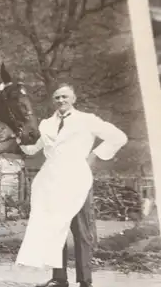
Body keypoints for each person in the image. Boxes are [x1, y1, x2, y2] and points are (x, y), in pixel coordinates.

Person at [15, 83, 128, 287]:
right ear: (53, 100)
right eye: (57, 97)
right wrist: (20, 140)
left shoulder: (87, 120)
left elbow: (119, 137)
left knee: (81, 230)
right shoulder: (46, 124)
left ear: (74, 99)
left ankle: (85, 281)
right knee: (54, 227)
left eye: (65, 97)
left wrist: (95, 155)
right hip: (51, 180)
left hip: (76, 178)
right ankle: (60, 278)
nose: (61, 101)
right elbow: (33, 150)